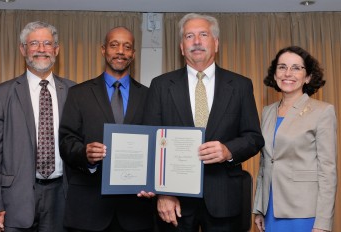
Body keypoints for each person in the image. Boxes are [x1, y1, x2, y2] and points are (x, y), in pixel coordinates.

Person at [141, 13, 264, 232]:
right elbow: (150, 142)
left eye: (203, 34)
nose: (196, 41)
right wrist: (162, 192)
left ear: (215, 43)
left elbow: (253, 138)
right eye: (189, 36)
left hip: (224, 200)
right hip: (174, 202)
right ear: (181, 47)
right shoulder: (160, 86)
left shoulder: (240, 85)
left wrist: (228, 150)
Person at [59, 26, 154, 232]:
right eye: (114, 45)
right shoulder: (78, 94)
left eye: (127, 47)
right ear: (103, 50)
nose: (120, 51)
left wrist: (155, 182)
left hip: (136, 210)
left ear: (133, 54)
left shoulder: (150, 96)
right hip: (88, 209)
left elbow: (156, 146)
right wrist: (85, 154)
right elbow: (66, 141)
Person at [0, 21, 75, 232]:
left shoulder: (74, 91)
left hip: (62, 196)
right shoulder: (1, 94)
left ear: (56, 49)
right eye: (34, 43)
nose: (41, 49)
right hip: (15, 199)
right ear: (23, 49)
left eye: (47, 43)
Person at [253, 46, 337, 232]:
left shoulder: (323, 111)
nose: (288, 73)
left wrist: (323, 223)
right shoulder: (267, 111)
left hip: (304, 211)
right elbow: (264, 163)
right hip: (271, 209)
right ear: (275, 75)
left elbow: (327, 171)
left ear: (308, 77)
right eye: (282, 67)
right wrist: (259, 207)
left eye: (296, 68)